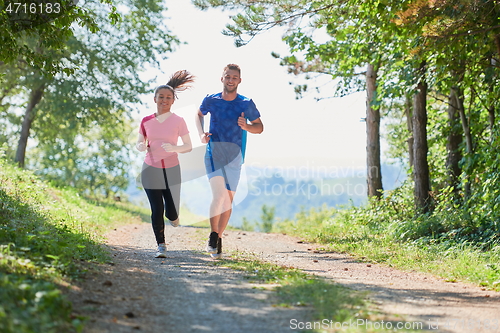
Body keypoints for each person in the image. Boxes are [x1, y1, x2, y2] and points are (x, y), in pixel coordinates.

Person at [196, 64, 264, 258]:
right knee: (218, 196)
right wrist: (201, 134)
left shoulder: (246, 103)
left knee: (227, 201)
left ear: (239, 81)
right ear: (222, 78)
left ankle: (218, 237)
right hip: (214, 152)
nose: (231, 80)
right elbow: (199, 115)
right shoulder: (211, 99)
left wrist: (247, 126)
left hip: (235, 156)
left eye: (234, 77)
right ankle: (212, 235)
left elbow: (260, 127)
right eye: (228, 76)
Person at [136, 70, 194, 258]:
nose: (164, 100)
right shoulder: (146, 121)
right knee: (157, 208)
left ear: (173, 101)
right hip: (150, 168)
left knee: (171, 210)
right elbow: (140, 142)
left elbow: (188, 146)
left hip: (171, 169)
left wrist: (174, 148)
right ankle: (161, 245)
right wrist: (141, 145)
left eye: (168, 97)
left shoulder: (178, 121)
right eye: (161, 97)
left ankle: (174, 216)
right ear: (155, 99)